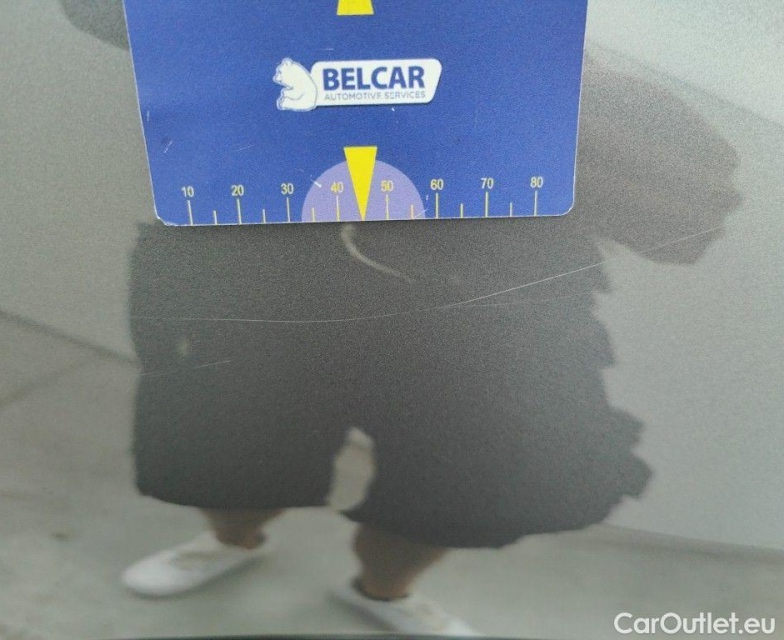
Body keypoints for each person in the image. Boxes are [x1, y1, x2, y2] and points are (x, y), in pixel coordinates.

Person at [120, 53, 740, 636]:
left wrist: (572, 109)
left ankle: (383, 592)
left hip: (491, 317)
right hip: (279, 274)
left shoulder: (562, 72)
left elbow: (686, 228)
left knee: (463, 487)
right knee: (229, 447)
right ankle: (230, 541)